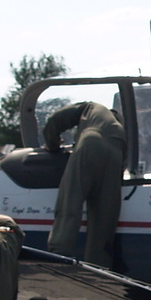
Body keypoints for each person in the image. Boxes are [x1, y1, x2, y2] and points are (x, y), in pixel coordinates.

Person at [44, 99, 127, 268]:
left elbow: (55, 119)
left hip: (91, 142)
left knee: (70, 201)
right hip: (116, 153)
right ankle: (98, 266)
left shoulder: (91, 107)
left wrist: (52, 144)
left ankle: (59, 254)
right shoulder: (120, 130)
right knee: (104, 216)